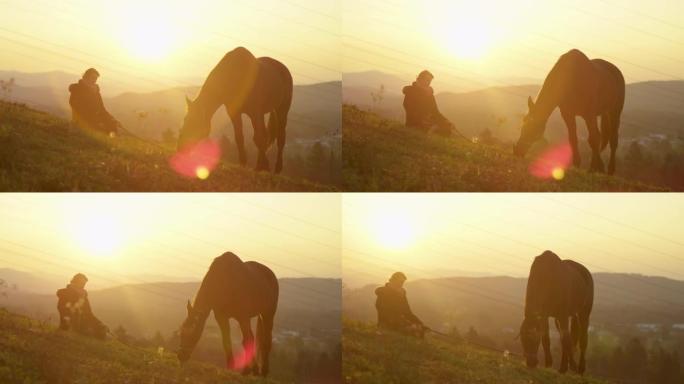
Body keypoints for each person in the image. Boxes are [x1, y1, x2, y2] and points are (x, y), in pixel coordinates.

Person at [56, 273, 108, 339]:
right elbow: (63, 311)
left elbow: (88, 313)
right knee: (90, 333)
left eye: (84, 284)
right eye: (82, 283)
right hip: (70, 326)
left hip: (81, 325)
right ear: (75, 282)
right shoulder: (65, 294)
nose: (83, 286)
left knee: (100, 330)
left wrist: (99, 323)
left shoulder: (83, 296)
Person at [68, 68, 119, 134]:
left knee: (112, 124)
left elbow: (101, 108)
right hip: (82, 120)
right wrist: (97, 120)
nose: (94, 80)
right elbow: (77, 107)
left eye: (96, 79)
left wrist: (112, 119)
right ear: (86, 77)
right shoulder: (77, 89)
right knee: (103, 130)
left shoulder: (95, 92)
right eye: (93, 78)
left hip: (94, 118)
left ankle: (112, 141)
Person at [402, 70, 453, 135]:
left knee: (447, 128)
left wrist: (446, 121)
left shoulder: (429, 95)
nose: (428, 83)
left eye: (429, 81)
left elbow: (435, 112)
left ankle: (431, 132)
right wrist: (426, 121)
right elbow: (409, 110)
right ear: (420, 79)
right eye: (427, 80)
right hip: (413, 124)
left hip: (427, 122)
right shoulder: (410, 91)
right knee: (440, 130)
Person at [375, 272, 425, 337]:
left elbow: (407, 312)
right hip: (386, 325)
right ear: (393, 281)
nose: (401, 285)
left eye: (402, 282)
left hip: (398, 323)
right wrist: (407, 324)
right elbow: (385, 314)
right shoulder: (383, 293)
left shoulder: (401, 293)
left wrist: (419, 323)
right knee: (414, 331)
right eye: (400, 282)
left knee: (419, 329)